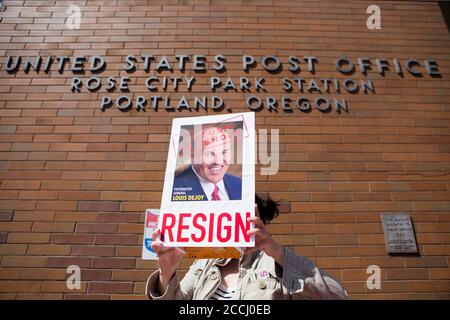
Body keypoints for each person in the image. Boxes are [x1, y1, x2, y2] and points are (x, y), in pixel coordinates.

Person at [145, 194, 348, 300]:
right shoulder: (205, 263)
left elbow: (336, 295)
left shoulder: (275, 263)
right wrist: (167, 273)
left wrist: (277, 253)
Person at [172, 126, 242, 201]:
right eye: (209, 153)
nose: (218, 161)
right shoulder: (173, 190)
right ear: (193, 156)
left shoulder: (241, 185)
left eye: (224, 152)